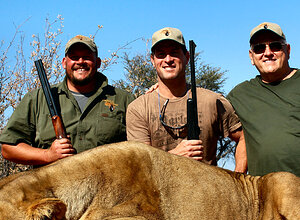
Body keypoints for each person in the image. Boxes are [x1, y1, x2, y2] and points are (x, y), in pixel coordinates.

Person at [0, 35, 134, 166]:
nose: (80, 61)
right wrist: (47, 155)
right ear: (64, 63)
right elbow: (8, 148)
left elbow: (142, 146)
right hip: (53, 187)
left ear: (98, 62)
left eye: (87, 57)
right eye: (74, 57)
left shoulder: (124, 99)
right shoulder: (36, 99)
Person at [126, 27, 247, 172]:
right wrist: (174, 156)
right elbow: (141, 165)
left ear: (187, 57)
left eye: (174, 53)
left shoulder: (212, 100)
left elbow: (243, 137)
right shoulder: (138, 108)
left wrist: (237, 178)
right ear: (153, 60)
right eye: (161, 54)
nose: (168, 59)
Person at [227, 22, 300, 177]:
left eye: (275, 46)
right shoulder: (240, 94)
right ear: (251, 56)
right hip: (264, 196)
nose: (267, 53)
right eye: (259, 48)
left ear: (287, 50)